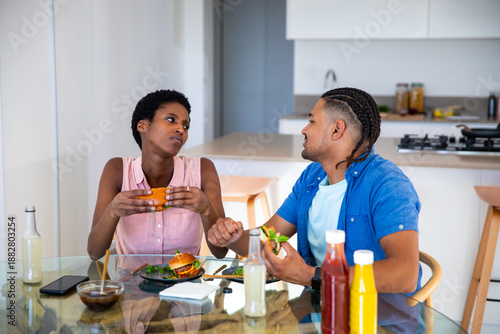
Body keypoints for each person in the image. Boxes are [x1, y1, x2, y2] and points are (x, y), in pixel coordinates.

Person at [207, 87, 421, 294]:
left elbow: (405, 275)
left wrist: (310, 275)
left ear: (337, 129)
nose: (304, 129)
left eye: (311, 121)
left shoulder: (387, 185)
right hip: (318, 310)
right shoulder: (312, 177)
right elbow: (266, 241)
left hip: (377, 319)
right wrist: (233, 238)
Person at [87, 89, 227, 260]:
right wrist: (113, 211)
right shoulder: (117, 170)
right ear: (143, 126)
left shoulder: (203, 169)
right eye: (171, 120)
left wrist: (206, 210)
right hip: (131, 282)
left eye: (186, 125)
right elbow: (94, 252)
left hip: (185, 283)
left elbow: (221, 252)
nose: (180, 130)